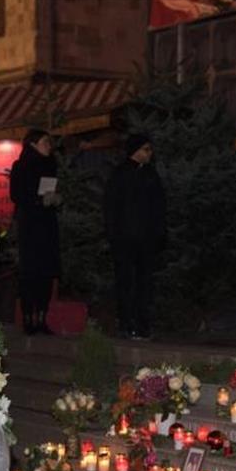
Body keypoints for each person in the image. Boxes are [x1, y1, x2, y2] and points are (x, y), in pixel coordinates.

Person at [104, 133, 167, 340]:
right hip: (125, 239)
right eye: (146, 149)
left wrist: (158, 233)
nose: (150, 153)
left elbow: (159, 206)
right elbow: (111, 207)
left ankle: (143, 324)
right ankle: (126, 323)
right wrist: (114, 235)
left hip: (146, 240)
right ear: (136, 151)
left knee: (145, 283)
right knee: (126, 282)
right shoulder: (120, 174)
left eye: (150, 149)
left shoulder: (151, 174)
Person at [9, 129, 61, 335]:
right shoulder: (21, 166)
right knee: (31, 273)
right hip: (30, 227)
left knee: (46, 273)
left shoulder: (50, 165)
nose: (49, 146)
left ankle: (42, 317)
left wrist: (55, 198)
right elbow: (16, 195)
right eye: (45, 142)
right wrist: (38, 200)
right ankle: (29, 319)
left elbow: (52, 189)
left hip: (47, 225)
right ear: (32, 144)